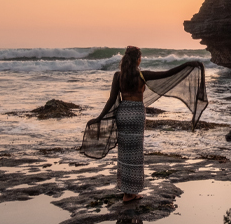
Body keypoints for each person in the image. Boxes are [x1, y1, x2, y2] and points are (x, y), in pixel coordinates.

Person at [84, 46, 208, 202]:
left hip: (123, 114)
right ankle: (132, 193)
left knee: (124, 153)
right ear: (138, 60)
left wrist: (99, 117)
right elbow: (168, 74)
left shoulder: (118, 76)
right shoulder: (143, 76)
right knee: (136, 154)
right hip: (136, 115)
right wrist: (188, 64)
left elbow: (111, 100)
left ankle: (126, 192)